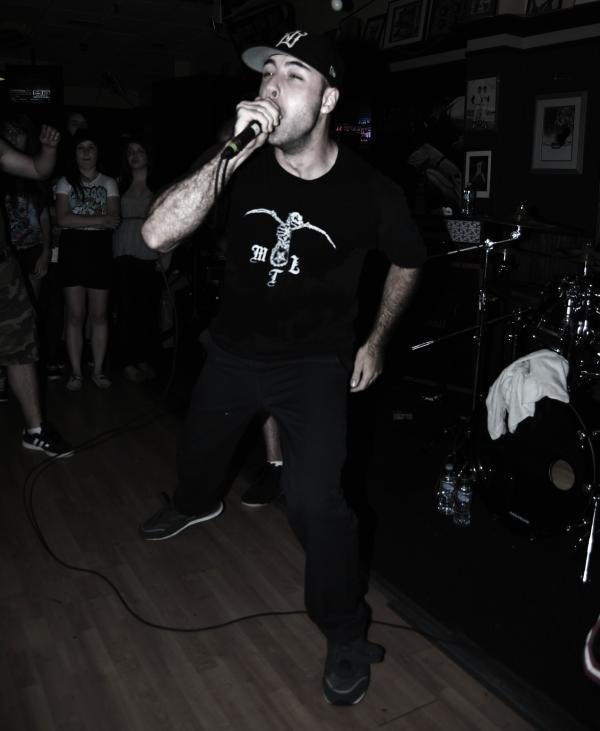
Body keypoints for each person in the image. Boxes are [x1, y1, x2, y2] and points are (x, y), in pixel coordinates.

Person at [140, 30, 425, 705]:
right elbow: (155, 234)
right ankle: (194, 502)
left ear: (327, 100)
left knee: (317, 501)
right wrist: (228, 155)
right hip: (233, 352)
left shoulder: (371, 191)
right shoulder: (237, 161)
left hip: (313, 364)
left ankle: (346, 634)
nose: (271, 84)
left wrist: (377, 339)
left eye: (293, 74)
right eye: (267, 71)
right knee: (197, 458)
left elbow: (409, 260)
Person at [0, 124, 73, 457]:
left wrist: (48, 149)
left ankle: (35, 430)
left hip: (2, 267)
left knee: (21, 344)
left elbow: (38, 169)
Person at [55, 130, 120, 390]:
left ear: (97, 152)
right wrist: (100, 219)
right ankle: (76, 373)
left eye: (90, 147)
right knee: (75, 314)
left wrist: (81, 220)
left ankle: (99, 370)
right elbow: (62, 219)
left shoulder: (109, 182)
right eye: (81, 147)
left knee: (100, 314)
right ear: (74, 153)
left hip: (99, 249)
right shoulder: (65, 182)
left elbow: (114, 220)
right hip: (73, 249)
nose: (86, 152)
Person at [113, 137, 168, 383]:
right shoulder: (119, 184)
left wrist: (166, 256)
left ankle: (144, 358)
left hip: (149, 251)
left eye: (139, 151)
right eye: (130, 152)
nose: (134, 156)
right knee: (126, 308)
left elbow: (169, 223)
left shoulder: (160, 186)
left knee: (147, 309)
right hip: (122, 250)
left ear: (149, 155)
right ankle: (127, 361)